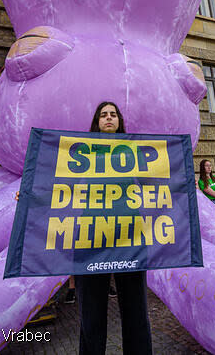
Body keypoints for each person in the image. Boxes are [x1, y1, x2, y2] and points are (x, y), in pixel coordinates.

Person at [77, 102, 153, 355]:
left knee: (136, 310)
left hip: (129, 235)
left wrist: (184, 185)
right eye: (103, 115)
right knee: (91, 312)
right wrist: (31, 196)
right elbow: (58, 185)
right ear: (96, 122)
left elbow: (157, 183)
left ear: (119, 120)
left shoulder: (133, 150)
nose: (108, 118)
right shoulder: (82, 152)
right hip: (91, 236)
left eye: (113, 114)